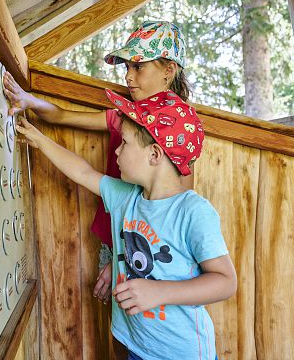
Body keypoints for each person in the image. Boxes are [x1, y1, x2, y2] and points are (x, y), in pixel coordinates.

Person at [12, 21, 237, 360]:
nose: (115, 153)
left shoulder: (191, 209)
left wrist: (157, 289)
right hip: (133, 332)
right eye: (127, 66)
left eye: (138, 65)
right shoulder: (126, 189)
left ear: (155, 154)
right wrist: (39, 138)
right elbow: (82, 170)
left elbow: (223, 280)